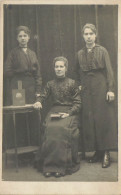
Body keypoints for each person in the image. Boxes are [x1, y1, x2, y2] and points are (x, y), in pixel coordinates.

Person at [76, 23, 117, 168]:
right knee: (90, 120)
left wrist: (110, 89)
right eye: (86, 34)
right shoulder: (80, 53)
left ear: (95, 35)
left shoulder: (102, 51)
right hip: (87, 89)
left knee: (103, 119)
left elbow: (109, 71)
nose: (88, 36)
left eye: (90, 34)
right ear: (83, 36)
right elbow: (77, 72)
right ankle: (97, 152)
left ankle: (106, 152)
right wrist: (79, 84)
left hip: (101, 86)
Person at [34, 56, 81, 177]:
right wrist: (39, 101)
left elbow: (78, 103)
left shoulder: (73, 83)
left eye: (61, 66)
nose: (59, 69)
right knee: (50, 129)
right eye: (56, 67)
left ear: (66, 68)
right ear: (54, 68)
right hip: (54, 112)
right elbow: (43, 96)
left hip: (69, 113)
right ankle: (49, 166)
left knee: (61, 129)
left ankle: (61, 166)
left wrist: (69, 113)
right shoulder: (50, 84)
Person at [4, 26, 42, 146]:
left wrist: (38, 90)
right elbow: (6, 72)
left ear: (29, 37)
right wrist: (20, 70)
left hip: (31, 88)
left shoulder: (32, 53)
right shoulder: (13, 53)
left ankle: (34, 149)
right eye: (20, 36)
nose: (23, 38)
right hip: (18, 88)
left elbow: (38, 75)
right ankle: (21, 148)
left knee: (32, 117)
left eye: (25, 36)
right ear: (17, 38)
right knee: (19, 118)